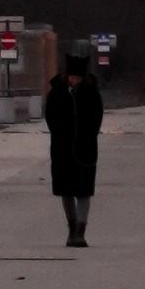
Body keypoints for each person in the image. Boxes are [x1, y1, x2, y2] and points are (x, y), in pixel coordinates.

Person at [44, 46, 105, 246]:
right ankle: (71, 227)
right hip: (62, 148)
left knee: (84, 191)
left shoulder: (91, 93)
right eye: (71, 77)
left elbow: (97, 117)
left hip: (85, 148)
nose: (74, 81)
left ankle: (80, 230)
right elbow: (50, 116)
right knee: (66, 191)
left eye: (77, 78)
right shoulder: (57, 93)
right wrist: (59, 133)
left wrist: (89, 135)